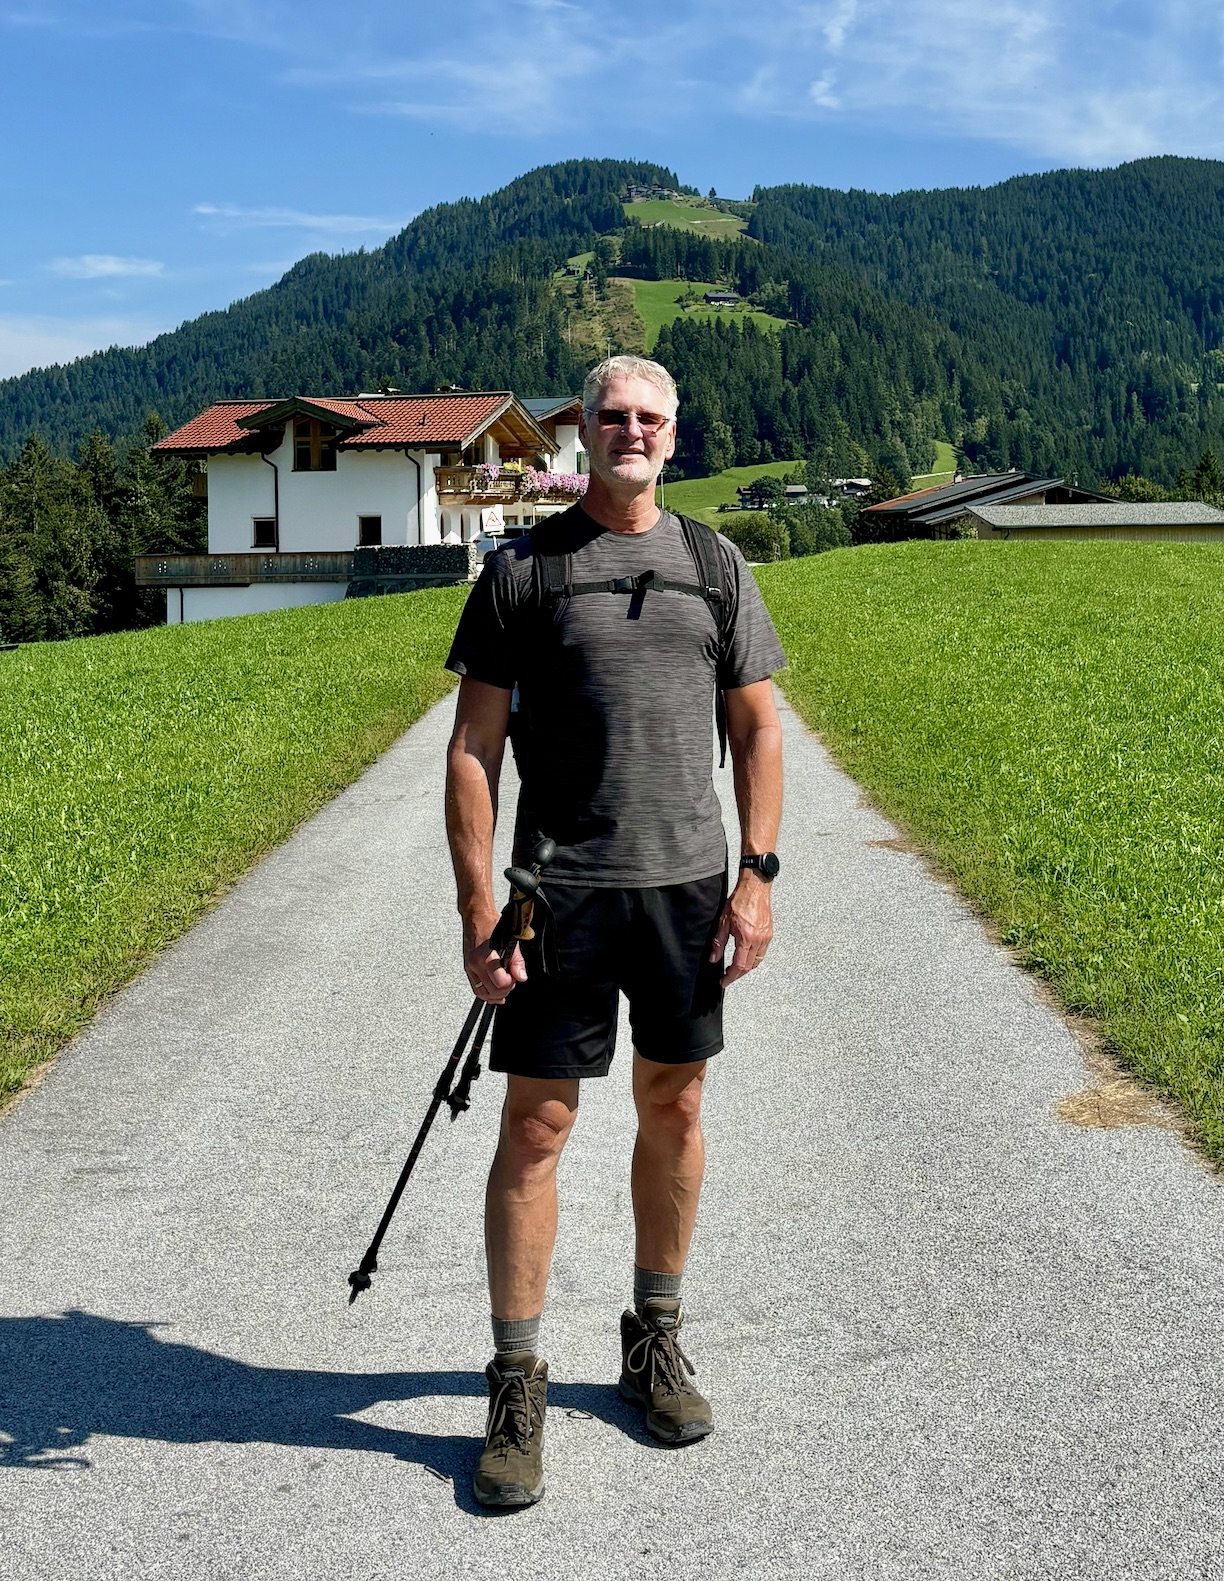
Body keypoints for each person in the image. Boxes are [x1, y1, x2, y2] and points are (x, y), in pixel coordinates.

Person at [444, 354, 785, 1507]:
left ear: (672, 438)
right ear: (579, 432)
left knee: (676, 1103)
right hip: (557, 896)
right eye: (610, 416)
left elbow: (758, 734)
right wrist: (478, 905)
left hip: (687, 891)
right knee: (537, 1128)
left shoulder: (713, 565)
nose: (630, 431)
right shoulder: (522, 574)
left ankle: (654, 1338)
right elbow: (471, 751)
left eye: (649, 418)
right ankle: (517, 1377)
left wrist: (759, 875)